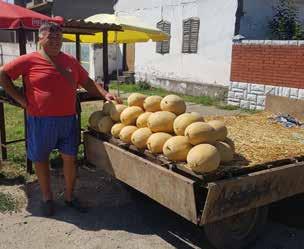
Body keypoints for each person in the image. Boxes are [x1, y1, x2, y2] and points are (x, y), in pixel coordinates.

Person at [0, 22, 121, 217]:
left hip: (68, 120)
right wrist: (21, 100)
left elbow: (87, 82)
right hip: (40, 121)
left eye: (59, 37)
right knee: (41, 160)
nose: (57, 41)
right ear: (41, 38)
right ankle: (47, 198)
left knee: (70, 159)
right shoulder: (29, 60)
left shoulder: (70, 61)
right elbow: (3, 74)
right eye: (51, 37)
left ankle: (70, 197)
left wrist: (105, 94)